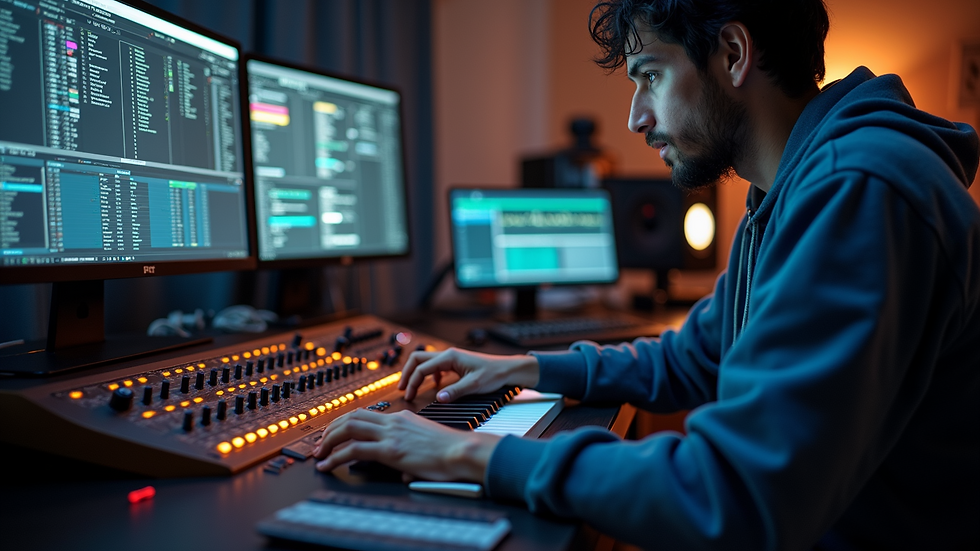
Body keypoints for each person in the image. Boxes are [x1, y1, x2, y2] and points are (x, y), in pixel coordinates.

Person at [313, 0, 980, 548]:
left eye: (650, 76)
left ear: (734, 55)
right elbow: (693, 358)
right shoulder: (790, 190)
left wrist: (461, 453)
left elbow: (734, 493)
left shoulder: (859, 189)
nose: (635, 116)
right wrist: (524, 368)